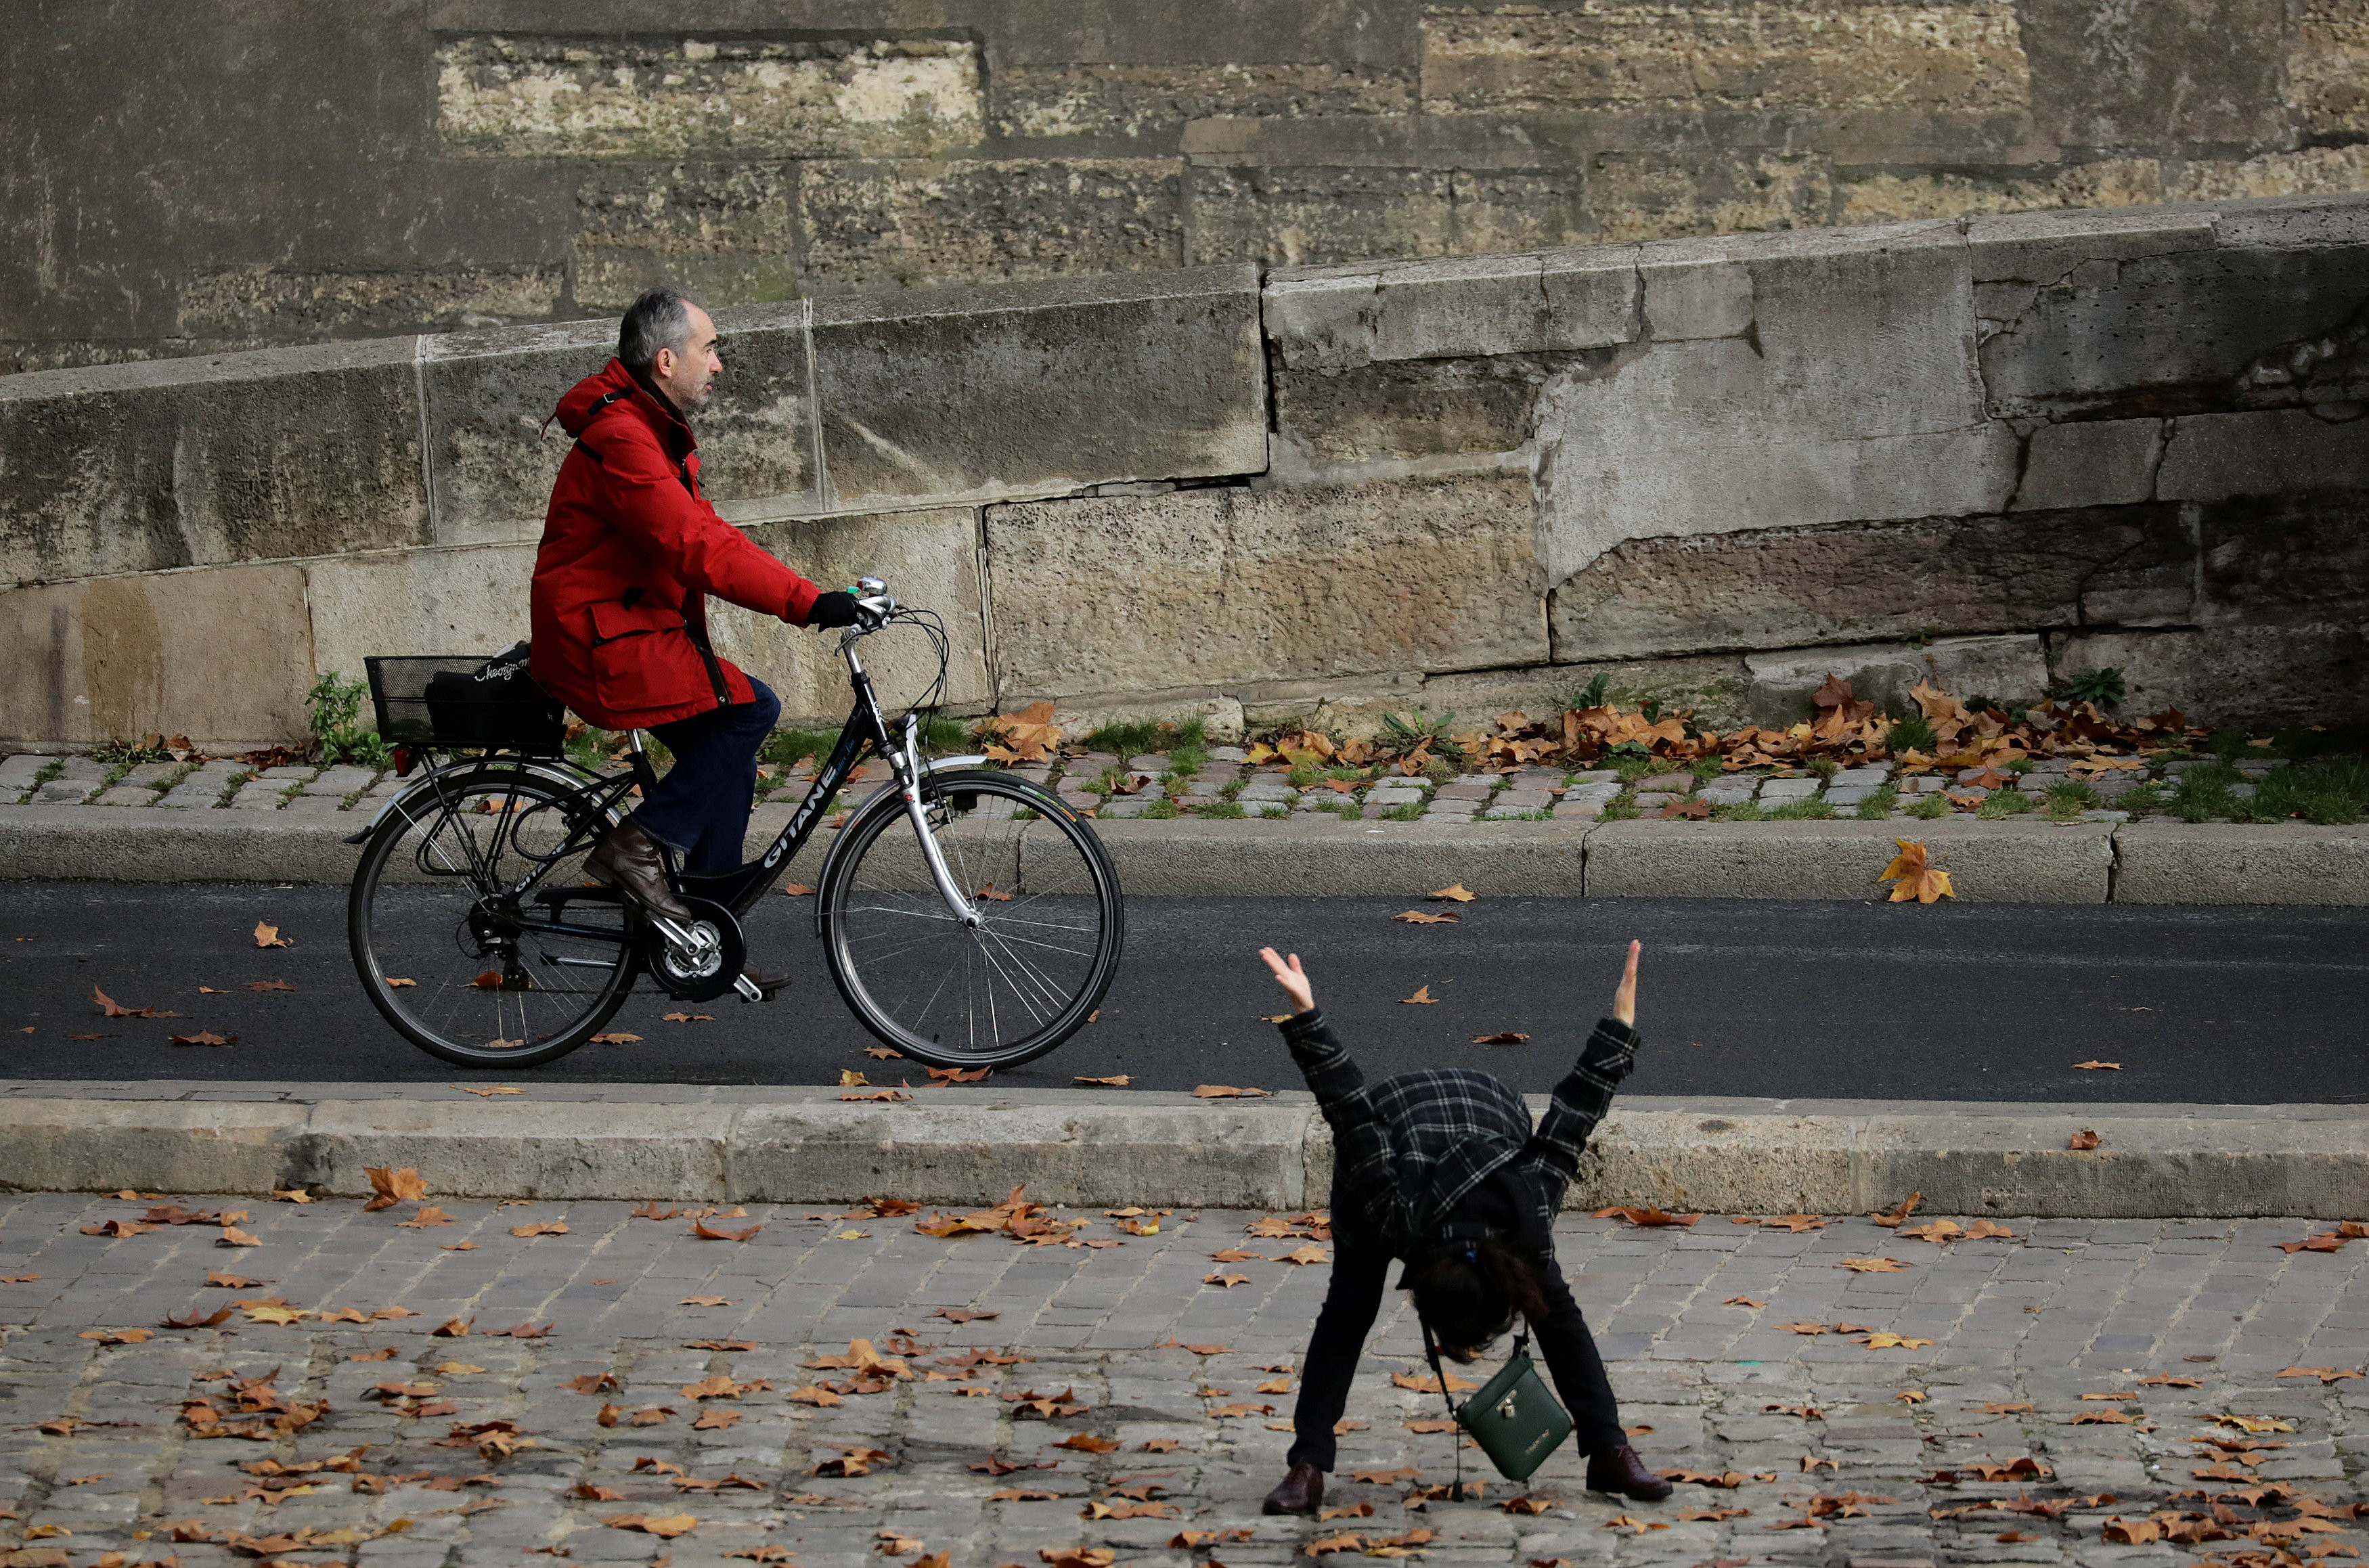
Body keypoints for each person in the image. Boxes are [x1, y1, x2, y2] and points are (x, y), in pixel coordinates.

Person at [1254, 939, 1672, 1515]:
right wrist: (1306, 1015)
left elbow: (1573, 1119)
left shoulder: (1525, 1212)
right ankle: (1307, 1463)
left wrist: (1619, 1030)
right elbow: (1352, 1112)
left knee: (1559, 1310)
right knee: (1348, 1308)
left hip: (1487, 1110)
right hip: (1396, 1118)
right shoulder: (1388, 1204)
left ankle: (1609, 1451)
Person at [529, 288, 861, 983]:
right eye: (709, 350)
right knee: (754, 710)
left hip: (623, 626)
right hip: (597, 638)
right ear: (665, 359)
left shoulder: (648, 428)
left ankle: (702, 931)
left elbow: (707, 536)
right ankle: (636, 847)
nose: (717, 366)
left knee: (727, 754)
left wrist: (807, 595)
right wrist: (806, 603)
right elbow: (693, 544)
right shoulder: (623, 437)